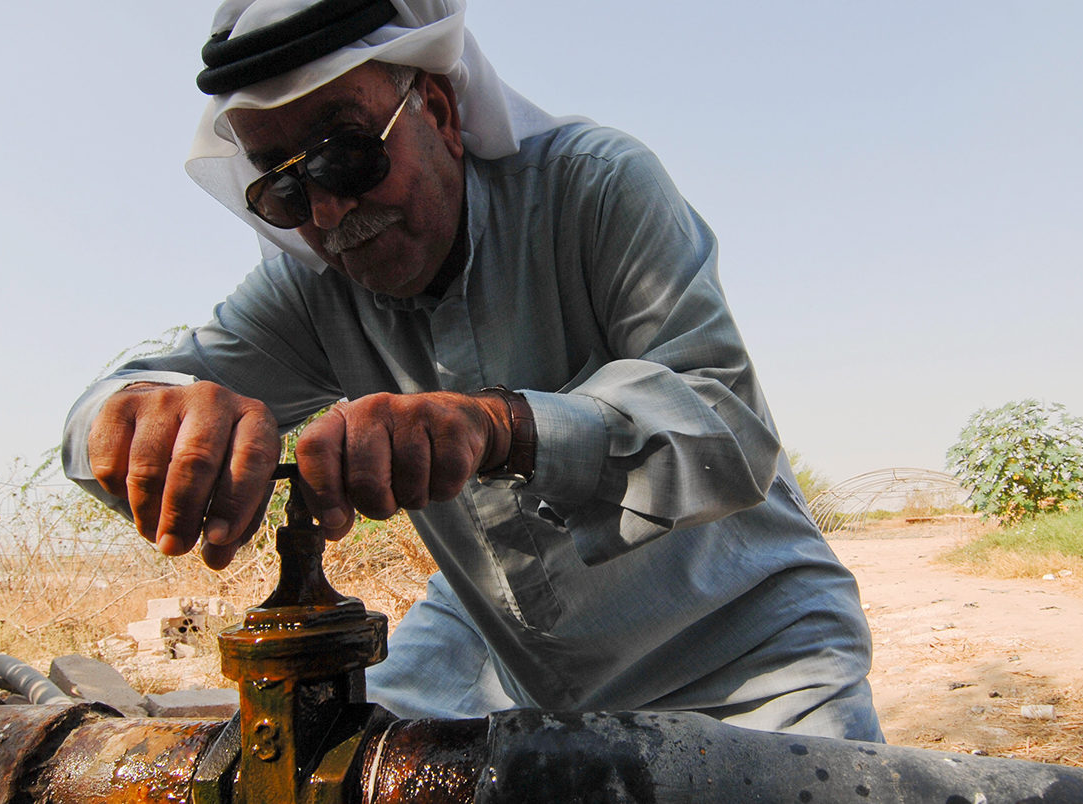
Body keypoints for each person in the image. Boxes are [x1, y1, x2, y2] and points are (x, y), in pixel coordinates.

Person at [63, 0, 882, 741]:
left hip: (753, 662)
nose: (328, 213)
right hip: (512, 667)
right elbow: (118, 404)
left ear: (442, 111)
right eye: (284, 191)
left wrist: (497, 425)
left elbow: (726, 424)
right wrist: (139, 417)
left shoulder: (595, 187)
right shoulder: (315, 290)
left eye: (345, 157)